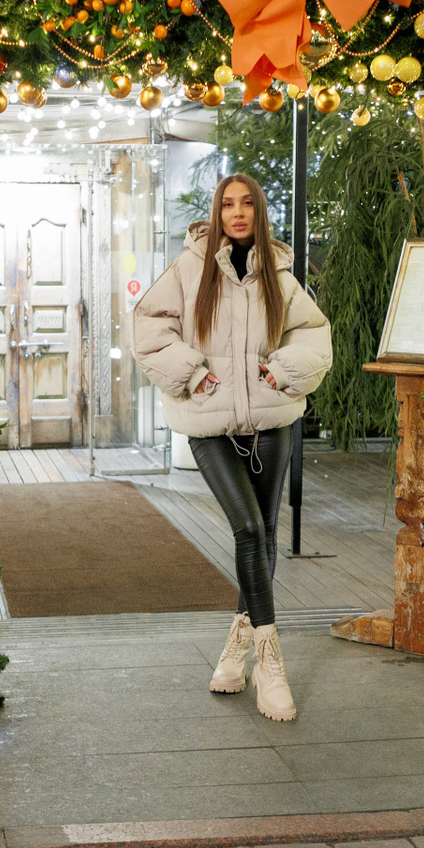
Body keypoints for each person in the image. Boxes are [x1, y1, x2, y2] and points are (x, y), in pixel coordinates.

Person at [131, 174, 332, 721]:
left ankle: (236, 651)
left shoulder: (279, 273)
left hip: (270, 420)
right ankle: (271, 662)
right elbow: (149, 328)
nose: (237, 213)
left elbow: (313, 333)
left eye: (246, 204)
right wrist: (192, 374)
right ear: (216, 212)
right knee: (247, 528)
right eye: (227, 204)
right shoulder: (189, 268)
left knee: (265, 533)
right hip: (209, 422)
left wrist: (282, 370)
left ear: (257, 212)